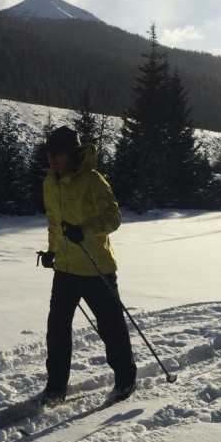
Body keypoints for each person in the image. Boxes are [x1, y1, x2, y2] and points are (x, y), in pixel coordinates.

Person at [36, 126, 136, 406]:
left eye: (58, 153)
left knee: (111, 326)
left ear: (73, 154)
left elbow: (113, 217)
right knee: (57, 329)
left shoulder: (92, 180)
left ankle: (126, 379)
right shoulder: (50, 183)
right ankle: (56, 388)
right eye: (49, 153)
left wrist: (85, 228)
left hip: (96, 268)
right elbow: (54, 223)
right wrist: (52, 252)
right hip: (65, 269)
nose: (52, 159)